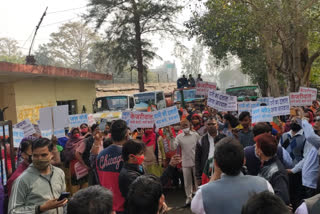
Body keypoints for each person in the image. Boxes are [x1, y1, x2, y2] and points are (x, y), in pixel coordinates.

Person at [191, 137, 274, 214]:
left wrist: (216, 174)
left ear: (216, 163)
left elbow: (194, 208)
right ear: (244, 160)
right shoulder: (264, 184)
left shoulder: (202, 194)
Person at [8, 138, 67, 214]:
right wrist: (40, 208)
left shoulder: (59, 173)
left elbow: (63, 201)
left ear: (52, 154)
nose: (39, 159)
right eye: (35, 155)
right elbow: (12, 211)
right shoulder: (22, 180)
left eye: (44, 155)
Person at [96, 119, 129, 214]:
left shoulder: (100, 155)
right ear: (127, 136)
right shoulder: (129, 155)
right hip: (125, 207)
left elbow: (99, 180)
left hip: (107, 206)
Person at [255, 133, 290, 204]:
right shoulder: (265, 164)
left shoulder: (277, 172)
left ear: (260, 151)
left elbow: (282, 199)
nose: (254, 148)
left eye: (256, 145)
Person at [280, 118, 306, 209]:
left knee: (298, 197)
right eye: (292, 120)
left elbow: (306, 158)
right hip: (285, 171)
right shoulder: (283, 136)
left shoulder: (305, 137)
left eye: (296, 120)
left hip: (299, 172)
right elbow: (280, 152)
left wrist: (294, 170)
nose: (294, 122)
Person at [174, 119, 201, 205]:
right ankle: (189, 198)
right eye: (183, 126)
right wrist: (171, 136)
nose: (185, 127)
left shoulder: (195, 135)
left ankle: (198, 198)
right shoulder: (179, 137)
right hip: (185, 162)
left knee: (197, 181)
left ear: (189, 125)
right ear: (181, 127)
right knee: (187, 182)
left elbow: (201, 146)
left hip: (196, 162)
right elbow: (173, 147)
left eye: (186, 125)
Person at [64, 128, 88, 195]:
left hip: (83, 165)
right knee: (75, 185)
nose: (76, 134)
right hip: (74, 166)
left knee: (85, 183)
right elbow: (67, 155)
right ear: (71, 134)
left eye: (77, 132)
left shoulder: (83, 141)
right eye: (74, 133)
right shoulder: (69, 143)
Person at [195, 118, 218, 185]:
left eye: (213, 124)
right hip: (206, 173)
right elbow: (197, 159)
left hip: (220, 172)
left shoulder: (224, 138)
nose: (211, 126)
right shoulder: (201, 140)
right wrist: (198, 177)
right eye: (209, 124)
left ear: (217, 125)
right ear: (206, 126)